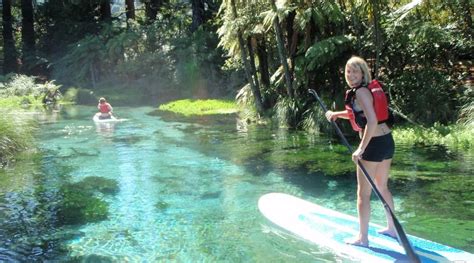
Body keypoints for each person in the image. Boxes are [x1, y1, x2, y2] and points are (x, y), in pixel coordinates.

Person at [325, 56, 396, 247]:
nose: (351, 75)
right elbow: (360, 115)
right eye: (348, 71)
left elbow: (371, 122)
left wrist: (360, 149)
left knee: (363, 195)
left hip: (372, 145)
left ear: (363, 73)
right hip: (386, 141)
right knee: (382, 187)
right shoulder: (365, 91)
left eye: (355, 71)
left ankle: (363, 239)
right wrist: (336, 115)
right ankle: (393, 229)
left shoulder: (361, 92)